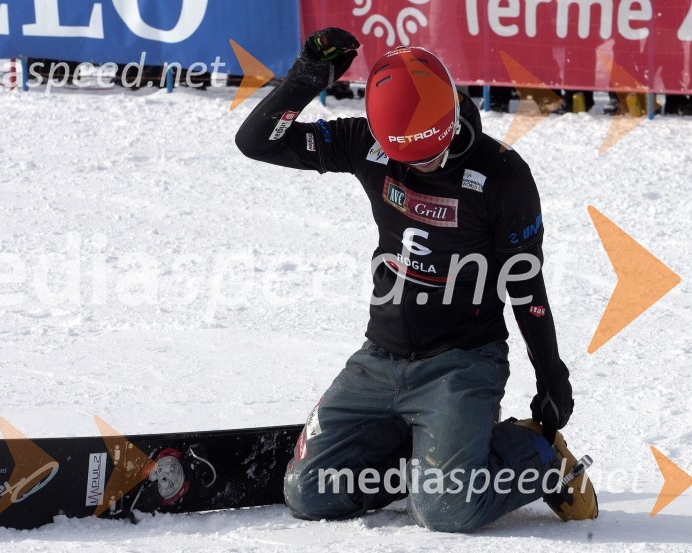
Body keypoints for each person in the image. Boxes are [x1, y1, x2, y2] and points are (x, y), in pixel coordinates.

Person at [235, 28, 597, 532]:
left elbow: (526, 285)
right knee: (309, 493)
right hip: (379, 358)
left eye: (431, 154)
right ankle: (434, 453)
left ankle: (536, 455)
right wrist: (307, 77)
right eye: (409, 159)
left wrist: (550, 372)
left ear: (450, 118)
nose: (422, 166)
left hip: (462, 364)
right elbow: (255, 142)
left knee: (444, 511)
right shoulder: (366, 144)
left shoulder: (503, 176)